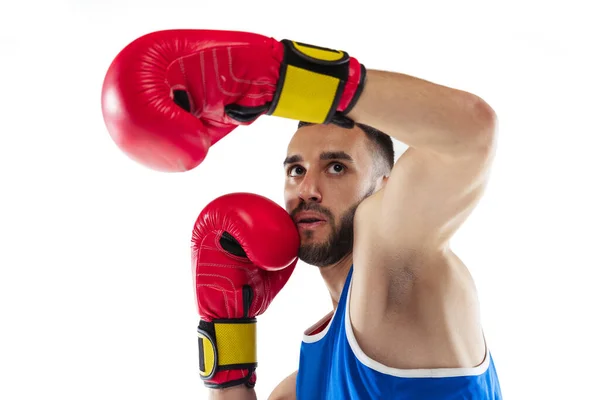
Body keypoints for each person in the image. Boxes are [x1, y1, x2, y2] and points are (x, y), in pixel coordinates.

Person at [102, 29, 503, 399]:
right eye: (296, 170)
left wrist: (280, 77)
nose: (307, 190)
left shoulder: (400, 264)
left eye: (336, 167)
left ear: (386, 185)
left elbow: (471, 134)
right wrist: (228, 341)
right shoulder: (304, 383)